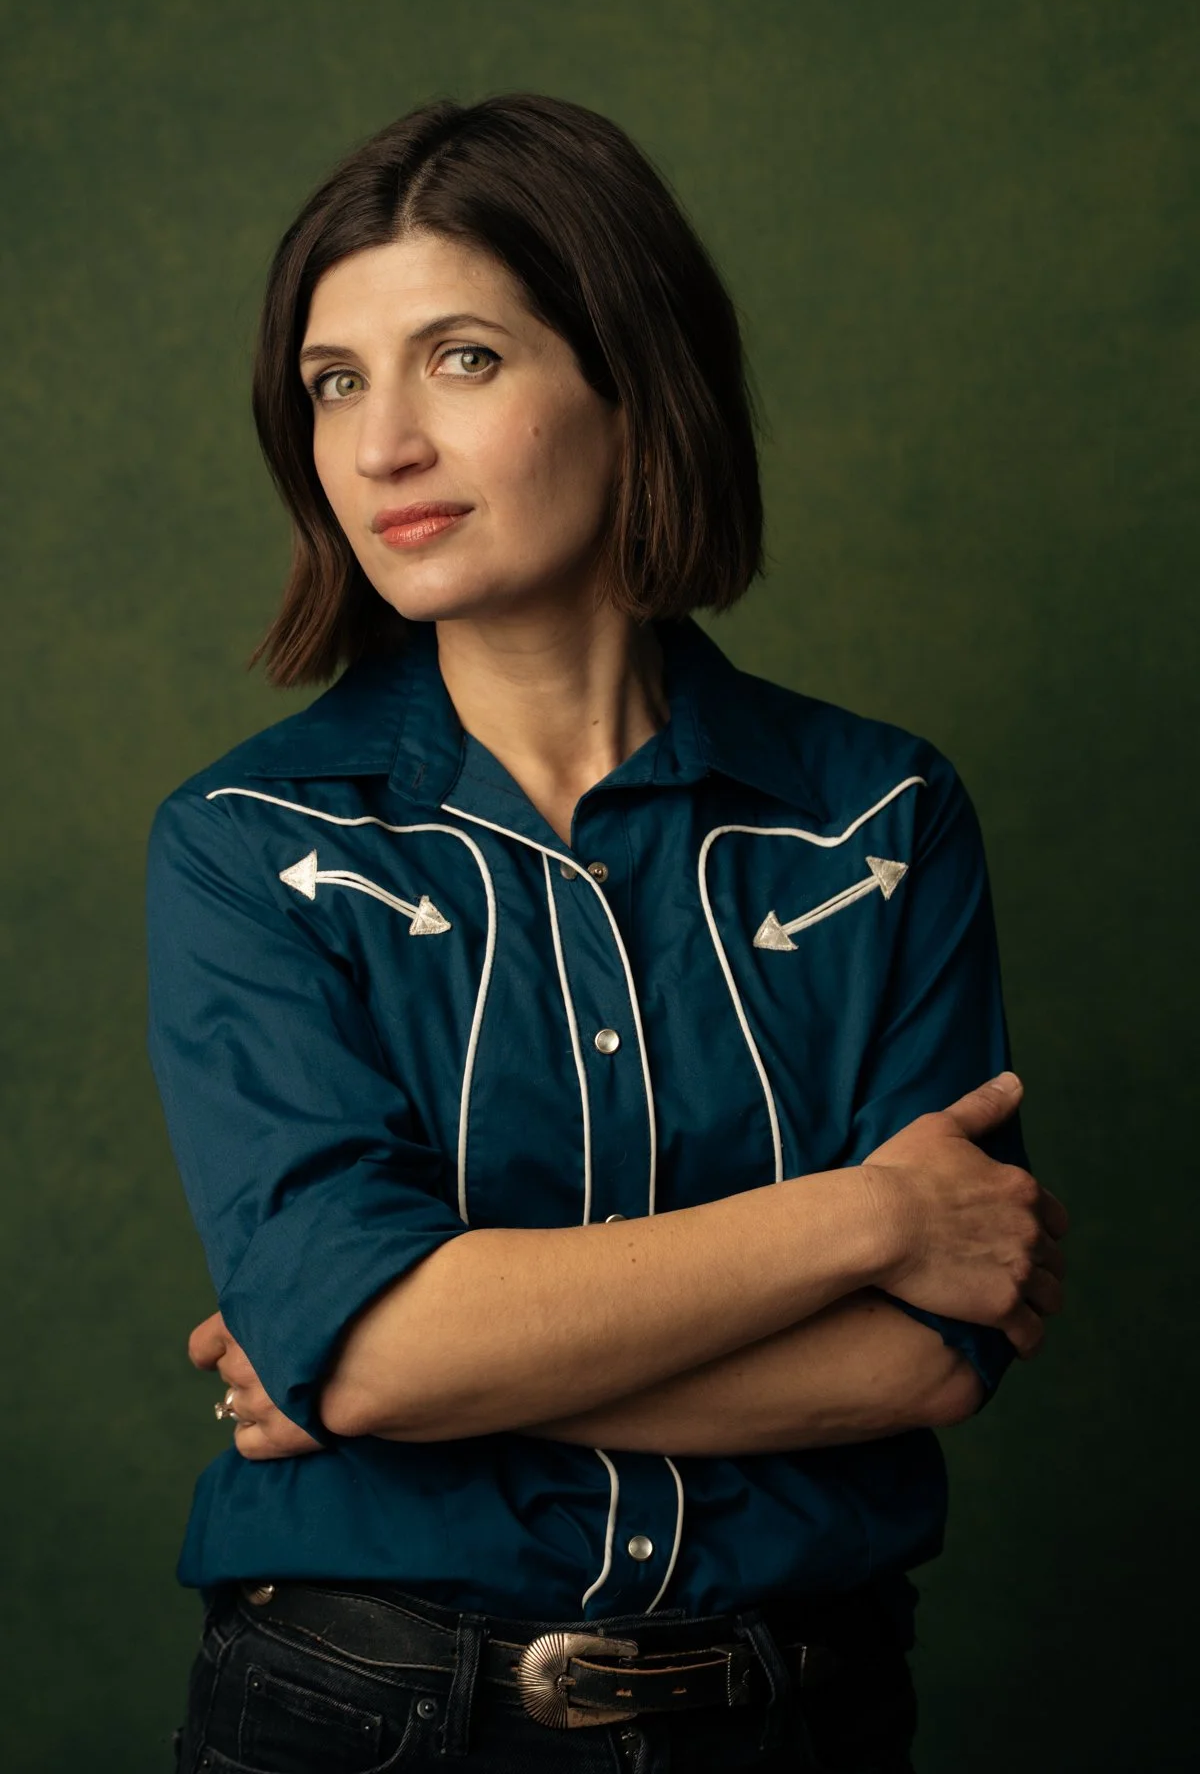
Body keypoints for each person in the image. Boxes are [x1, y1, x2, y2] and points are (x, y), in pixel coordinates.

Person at [146, 93, 1067, 1774]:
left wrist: (399, 1376)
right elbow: (367, 1344)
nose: (380, 447)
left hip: (803, 1716)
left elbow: (924, 1356)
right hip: (354, 1716)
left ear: (634, 379)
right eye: (336, 382)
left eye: (463, 359)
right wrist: (868, 1216)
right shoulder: (247, 845)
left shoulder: (881, 823)